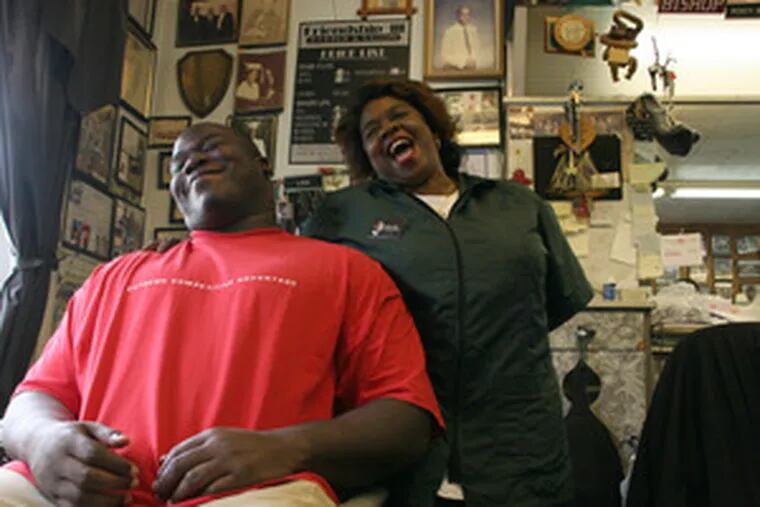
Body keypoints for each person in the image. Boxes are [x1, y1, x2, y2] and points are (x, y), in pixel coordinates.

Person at [0, 123, 444, 506]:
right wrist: (43, 441)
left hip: (256, 493)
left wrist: (287, 448)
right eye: (178, 164)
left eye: (210, 147)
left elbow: (407, 420)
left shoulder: (349, 271)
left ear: (263, 166)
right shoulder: (114, 276)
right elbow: (32, 398)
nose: (191, 161)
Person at [302, 78, 594, 506]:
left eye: (399, 116)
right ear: (366, 157)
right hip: (403, 448)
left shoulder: (518, 205)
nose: (388, 129)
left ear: (434, 130)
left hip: (518, 446)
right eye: (372, 131)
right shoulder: (343, 214)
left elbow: (548, 305)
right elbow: (307, 308)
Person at [439, 6, 480, 70]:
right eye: (463, 15)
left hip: (472, 67)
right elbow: (444, 55)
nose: (466, 17)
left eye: (468, 14)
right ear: (458, 16)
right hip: (455, 68)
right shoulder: (449, 32)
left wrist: (473, 59)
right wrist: (463, 62)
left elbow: (477, 48)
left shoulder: (473, 30)